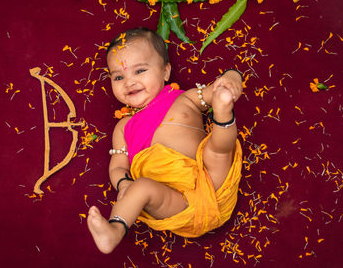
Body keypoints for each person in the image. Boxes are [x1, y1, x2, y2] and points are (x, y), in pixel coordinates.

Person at [87, 27, 243, 254]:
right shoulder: (123, 127)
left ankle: (223, 110)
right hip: (175, 203)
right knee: (141, 188)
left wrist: (230, 79)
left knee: (216, 151)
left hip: (210, 180)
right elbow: (118, 166)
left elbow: (218, 86)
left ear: (165, 71)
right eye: (118, 77)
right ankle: (114, 230)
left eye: (140, 71)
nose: (129, 82)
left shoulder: (187, 98)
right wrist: (124, 184)